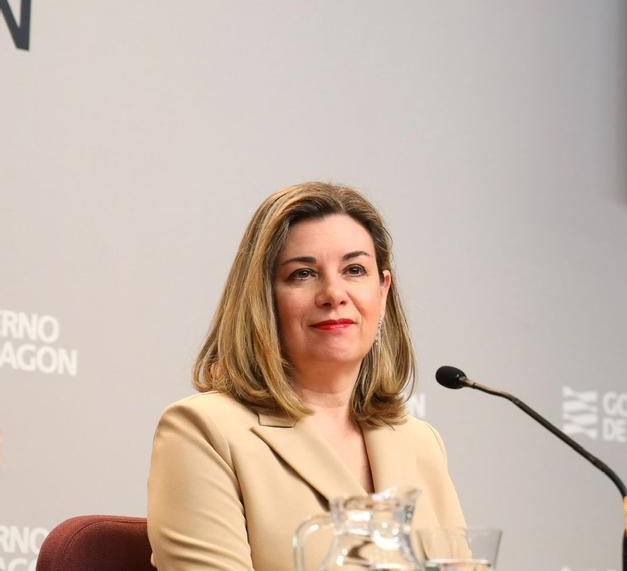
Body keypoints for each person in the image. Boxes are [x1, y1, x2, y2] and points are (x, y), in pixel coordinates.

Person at [147, 182, 465, 571]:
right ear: (264, 297)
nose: (334, 293)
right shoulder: (204, 431)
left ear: (382, 292)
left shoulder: (420, 443)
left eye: (354, 270)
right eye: (302, 274)